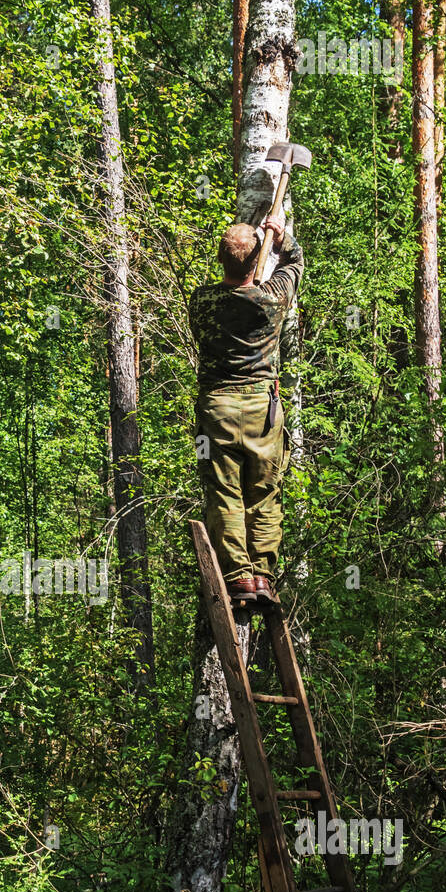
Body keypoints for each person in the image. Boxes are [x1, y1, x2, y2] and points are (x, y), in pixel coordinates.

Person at [189, 213, 304, 608]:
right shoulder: (272, 300)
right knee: (264, 493)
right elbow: (296, 262)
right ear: (256, 261)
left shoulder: (201, 300)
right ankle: (261, 577)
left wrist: (259, 249)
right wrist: (278, 237)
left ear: (221, 259)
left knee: (224, 492)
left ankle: (237, 577)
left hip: (217, 407)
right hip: (262, 410)